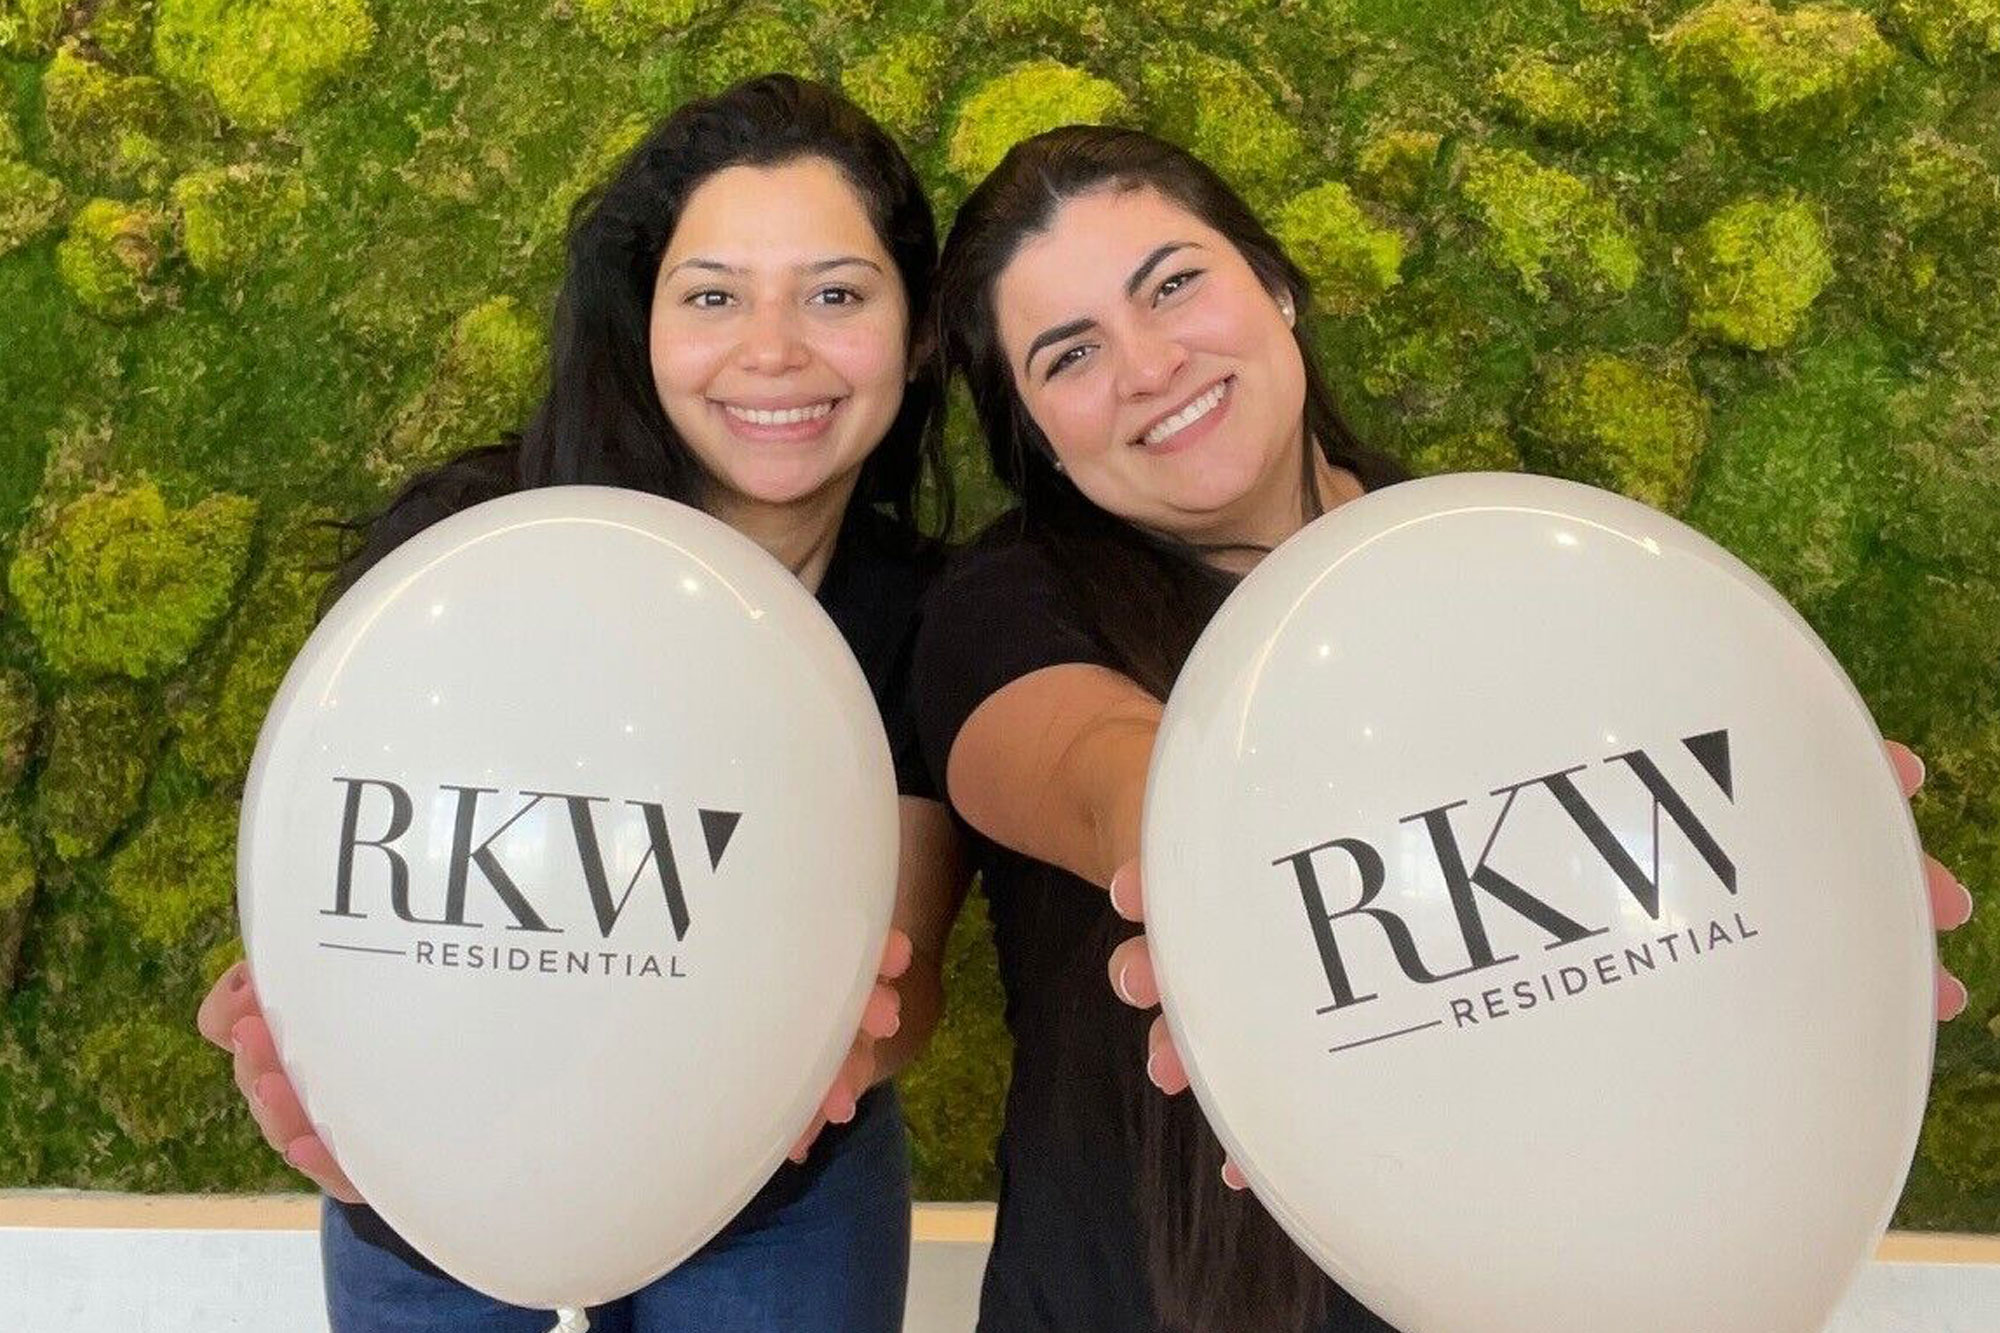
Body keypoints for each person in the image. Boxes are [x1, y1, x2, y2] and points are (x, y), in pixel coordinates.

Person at [914, 124, 1977, 1333]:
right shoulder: (1000, 604)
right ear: (1034, 436)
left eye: (1172, 284)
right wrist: (1225, 882)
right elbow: (1092, 770)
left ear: (1273, 284)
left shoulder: (1507, 561)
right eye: (1069, 355)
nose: (1148, 362)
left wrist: (1796, 869)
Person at [196, 74, 967, 1333]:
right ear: (643, 319)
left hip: (778, 1188)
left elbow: (909, 960)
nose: (772, 349)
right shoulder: (463, 550)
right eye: (713, 295)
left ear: (918, 329)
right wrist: (329, 1049)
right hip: (432, 1180)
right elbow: (349, 856)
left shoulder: (926, 608)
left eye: (835, 294)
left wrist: (842, 1049)